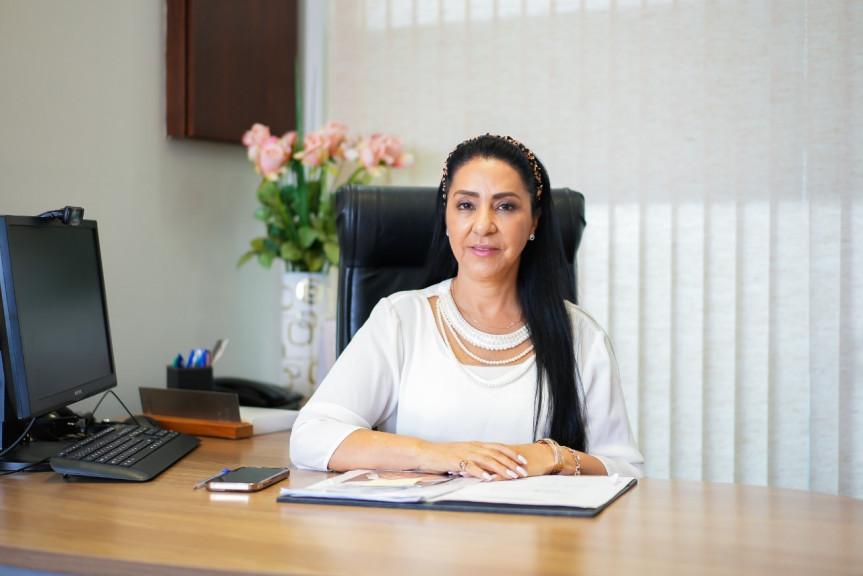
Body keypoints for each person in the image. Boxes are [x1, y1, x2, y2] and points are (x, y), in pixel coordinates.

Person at [290, 134, 644, 480]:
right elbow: (310, 437)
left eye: (506, 206)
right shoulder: (400, 319)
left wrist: (554, 457)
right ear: (446, 216)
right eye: (466, 205)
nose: (483, 225)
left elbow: (626, 472)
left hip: (534, 536)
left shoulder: (580, 335)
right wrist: (439, 454)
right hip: (420, 534)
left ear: (534, 221)